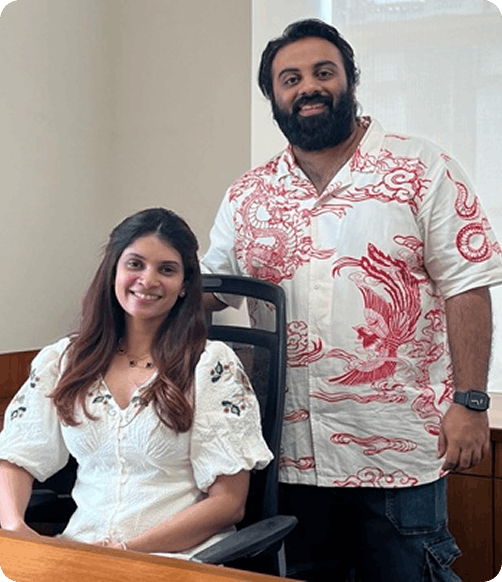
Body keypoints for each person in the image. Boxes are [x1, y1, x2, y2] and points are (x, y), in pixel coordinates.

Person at [200, 18, 502, 581]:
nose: (308, 87)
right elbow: (210, 292)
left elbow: (467, 284)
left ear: (350, 80)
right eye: (290, 79)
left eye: (323, 72)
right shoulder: (248, 195)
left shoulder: (420, 168)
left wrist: (471, 401)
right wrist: (141, 286)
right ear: (273, 97)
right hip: (284, 456)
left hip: (397, 452)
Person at [0, 207, 272, 559]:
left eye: (167, 269)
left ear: (185, 284)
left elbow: (229, 503)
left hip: (178, 559)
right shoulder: (65, 360)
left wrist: (127, 551)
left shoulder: (211, 365)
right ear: (113, 270)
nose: (148, 280)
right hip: (82, 553)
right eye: (135, 264)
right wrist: (16, 529)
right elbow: (16, 457)